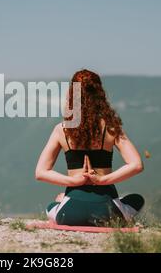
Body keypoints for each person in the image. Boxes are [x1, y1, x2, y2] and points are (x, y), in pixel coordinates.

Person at [35, 69, 144, 226]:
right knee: (136, 199)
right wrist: (102, 180)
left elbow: (40, 172)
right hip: (107, 213)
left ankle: (62, 203)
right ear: (100, 94)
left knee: (52, 206)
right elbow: (136, 165)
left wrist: (73, 181)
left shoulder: (62, 129)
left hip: (70, 213)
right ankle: (117, 211)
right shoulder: (112, 128)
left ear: (72, 94)